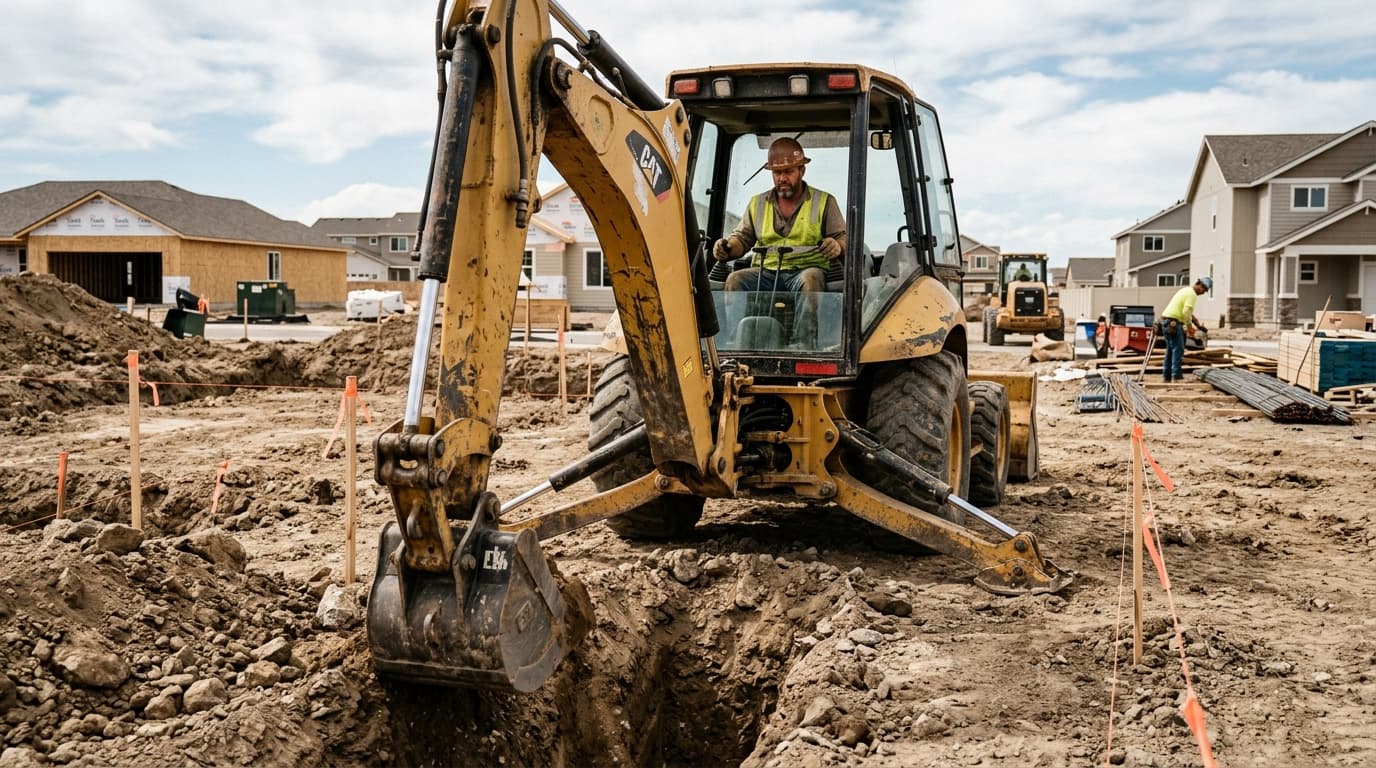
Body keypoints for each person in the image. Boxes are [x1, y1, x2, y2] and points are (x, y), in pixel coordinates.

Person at [713, 137, 846, 343]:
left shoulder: (824, 202)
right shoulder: (757, 203)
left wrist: (837, 245)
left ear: (802, 170)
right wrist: (726, 248)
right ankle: (737, 344)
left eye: (788, 172)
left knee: (810, 279)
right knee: (735, 280)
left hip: (804, 270)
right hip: (767, 273)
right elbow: (742, 238)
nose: (782, 178)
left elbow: (842, 237)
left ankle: (804, 345)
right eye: (777, 173)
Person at [1159, 276, 1211, 382]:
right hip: (1173, 323)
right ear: (1200, 285)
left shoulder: (1185, 290)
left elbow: (1189, 313)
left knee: (1170, 350)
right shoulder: (1192, 294)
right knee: (1178, 349)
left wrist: (1198, 325)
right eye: (1204, 290)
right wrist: (1189, 327)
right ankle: (1176, 376)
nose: (1203, 293)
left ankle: (1167, 376)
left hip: (1166, 321)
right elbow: (1186, 313)